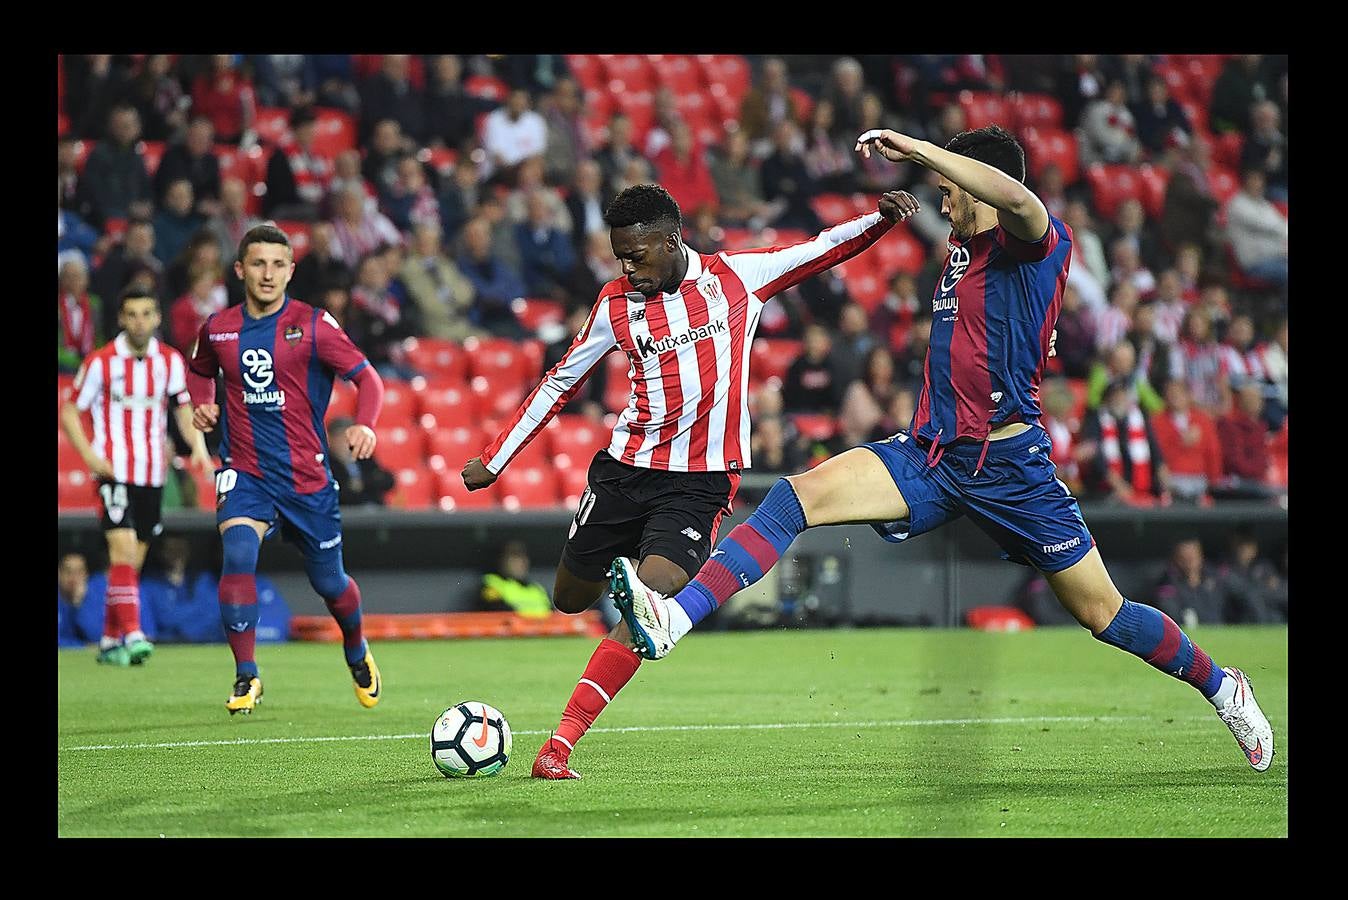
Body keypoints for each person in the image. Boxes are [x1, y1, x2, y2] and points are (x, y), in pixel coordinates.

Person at [601, 126, 1274, 780]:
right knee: (794, 496)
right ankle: (675, 619)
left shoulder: (1034, 242)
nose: (943, 204)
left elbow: (1018, 201)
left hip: (1013, 469)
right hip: (933, 457)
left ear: (980, 183)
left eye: (949, 190)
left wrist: (922, 149)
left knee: (1105, 615)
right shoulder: (959, 253)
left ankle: (1222, 686)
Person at [458, 181, 915, 779]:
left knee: (650, 604)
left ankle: (560, 743)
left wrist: (878, 221)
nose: (627, 268)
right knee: (569, 600)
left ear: (671, 240)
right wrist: (495, 458)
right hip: (626, 472)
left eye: (635, 255)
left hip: (699, 485)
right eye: (619, 258)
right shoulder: (615, 304)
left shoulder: (736, 280)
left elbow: (819, 249)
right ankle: (621, 569)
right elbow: (561, 380)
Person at [186, 224, 387, 715]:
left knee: (331, 584)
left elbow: (369, 380)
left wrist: (365, 425)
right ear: (240, 269)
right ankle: (246, 674)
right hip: (246, 472)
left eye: (278, 264)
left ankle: (356, 648)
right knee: (237, 554)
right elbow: (199, 370)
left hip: (307, 478)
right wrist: (202, 403)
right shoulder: (218, 328)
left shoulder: (314, 325)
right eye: (258, 263)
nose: (268, 273)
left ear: (291, 271)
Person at [60, 286, 212, 666]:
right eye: (132, 314)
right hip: (113, 470)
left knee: (131, 562)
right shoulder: (101, 362)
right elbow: (70, 411)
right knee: (123, 550)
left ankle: (110, 639)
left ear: (157, 318)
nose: (139, 322)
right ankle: (134, 632)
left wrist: (198, 447)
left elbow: (182, 408)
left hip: (151, 474)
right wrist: (91, 457)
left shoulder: (170, 361)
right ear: (121, 319)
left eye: (146, 314)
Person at [327, 417, 395, 506]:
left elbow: (387, 480)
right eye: (339, 437)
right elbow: (335, 493)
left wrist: (361, 483)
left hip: (375, 508)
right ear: (330, 439)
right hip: (346, 510)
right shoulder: (326, 462)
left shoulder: (363, 456)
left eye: (348, 437)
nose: (344, 441)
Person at [476, 541, 553, 618]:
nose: (522, 561)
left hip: (545, 626)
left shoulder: (538, 589)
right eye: (515, 556)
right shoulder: (492, 584)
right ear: (502, 560)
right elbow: (497, 611)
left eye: (523, 556)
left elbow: (554, 615)